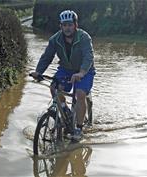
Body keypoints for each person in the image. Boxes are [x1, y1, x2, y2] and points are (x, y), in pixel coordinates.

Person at [31, 10, 96, 140]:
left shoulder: (84, 37)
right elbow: (47, 57)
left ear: (75, 25)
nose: (67, 28)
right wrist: (38, 72)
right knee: (54, 87)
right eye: (64, 25)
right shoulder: (55, 39)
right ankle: (65, 110)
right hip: (65, 69)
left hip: (85, 70)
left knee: (80, 94)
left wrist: (81, 72)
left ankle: (78, 128)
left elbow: (88, 57)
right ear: (61, 26)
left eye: (70, 25)